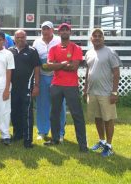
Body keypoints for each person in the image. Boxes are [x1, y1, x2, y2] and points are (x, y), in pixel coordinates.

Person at [44, 23, 88, 152]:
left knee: (77, 115)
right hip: (56, 85)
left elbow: (74, 67)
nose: (64, 32)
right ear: (58, 33)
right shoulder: (53, 49)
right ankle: (55, 139)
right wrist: (64, 64)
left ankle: (83, 145)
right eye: (62, 30)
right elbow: (48, 66)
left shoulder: (76, 48)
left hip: (71, 86)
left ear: (70, 33)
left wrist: (57, 64)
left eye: (66, 30)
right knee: (54, 114)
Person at [84, 28, 120, 157]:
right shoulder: (89, 53)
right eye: (95, 35)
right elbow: (88, 72)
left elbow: (116, 73)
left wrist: (114, 92)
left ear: (103, 38)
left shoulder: (110, 52)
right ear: (91, 39)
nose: (97, 37)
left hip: (106, 92)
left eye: (100, 36)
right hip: (92, 92)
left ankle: (109, 146)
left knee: (108, 119)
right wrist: (85, 88)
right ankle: (102, 141)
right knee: (97, 117)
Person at [32, 21, 66, 142]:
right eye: (43, 29)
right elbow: (35, 61)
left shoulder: (58, 40)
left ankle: (60, 132)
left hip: (57, 76)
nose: (45, 31)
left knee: (59, 105)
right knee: (42, 104)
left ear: (52, 30)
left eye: (48, 29)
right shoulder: (37, 42)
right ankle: (42, 131)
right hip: (42, 76)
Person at [8, 30, 40, 148]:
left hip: (27, 87)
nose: (20, 39)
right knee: (14, 112)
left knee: (26, 114)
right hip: (13, 88)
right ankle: (17, 135)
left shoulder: (32, 51)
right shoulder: (10, 51)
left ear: (26, 38)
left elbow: (37, 68)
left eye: (22, 37)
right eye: (18, 37)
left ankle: (27, 139)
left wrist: (36, 85)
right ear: (14, 38)